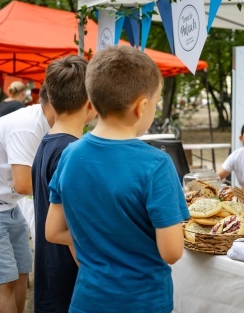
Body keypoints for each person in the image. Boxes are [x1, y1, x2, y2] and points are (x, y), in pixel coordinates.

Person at [45, 45, 190, 313]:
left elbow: (53, 231)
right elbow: (172, 251)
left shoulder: (69, 154)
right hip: (143, 302)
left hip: (87, 299)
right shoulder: (156, 165)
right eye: (155, 103)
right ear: (141, 106)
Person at [32, 56, 97, 313]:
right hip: (69, 282)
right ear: (91, 104)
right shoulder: (71, 151)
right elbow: (73, 230)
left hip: (51, 273)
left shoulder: (48, 142)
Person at [0, 84, 55, 313]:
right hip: (2, 206)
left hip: (10, 206)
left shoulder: (44, 123)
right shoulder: (29, 126)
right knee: (5, 281)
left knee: (22, 272)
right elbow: (24, 185)